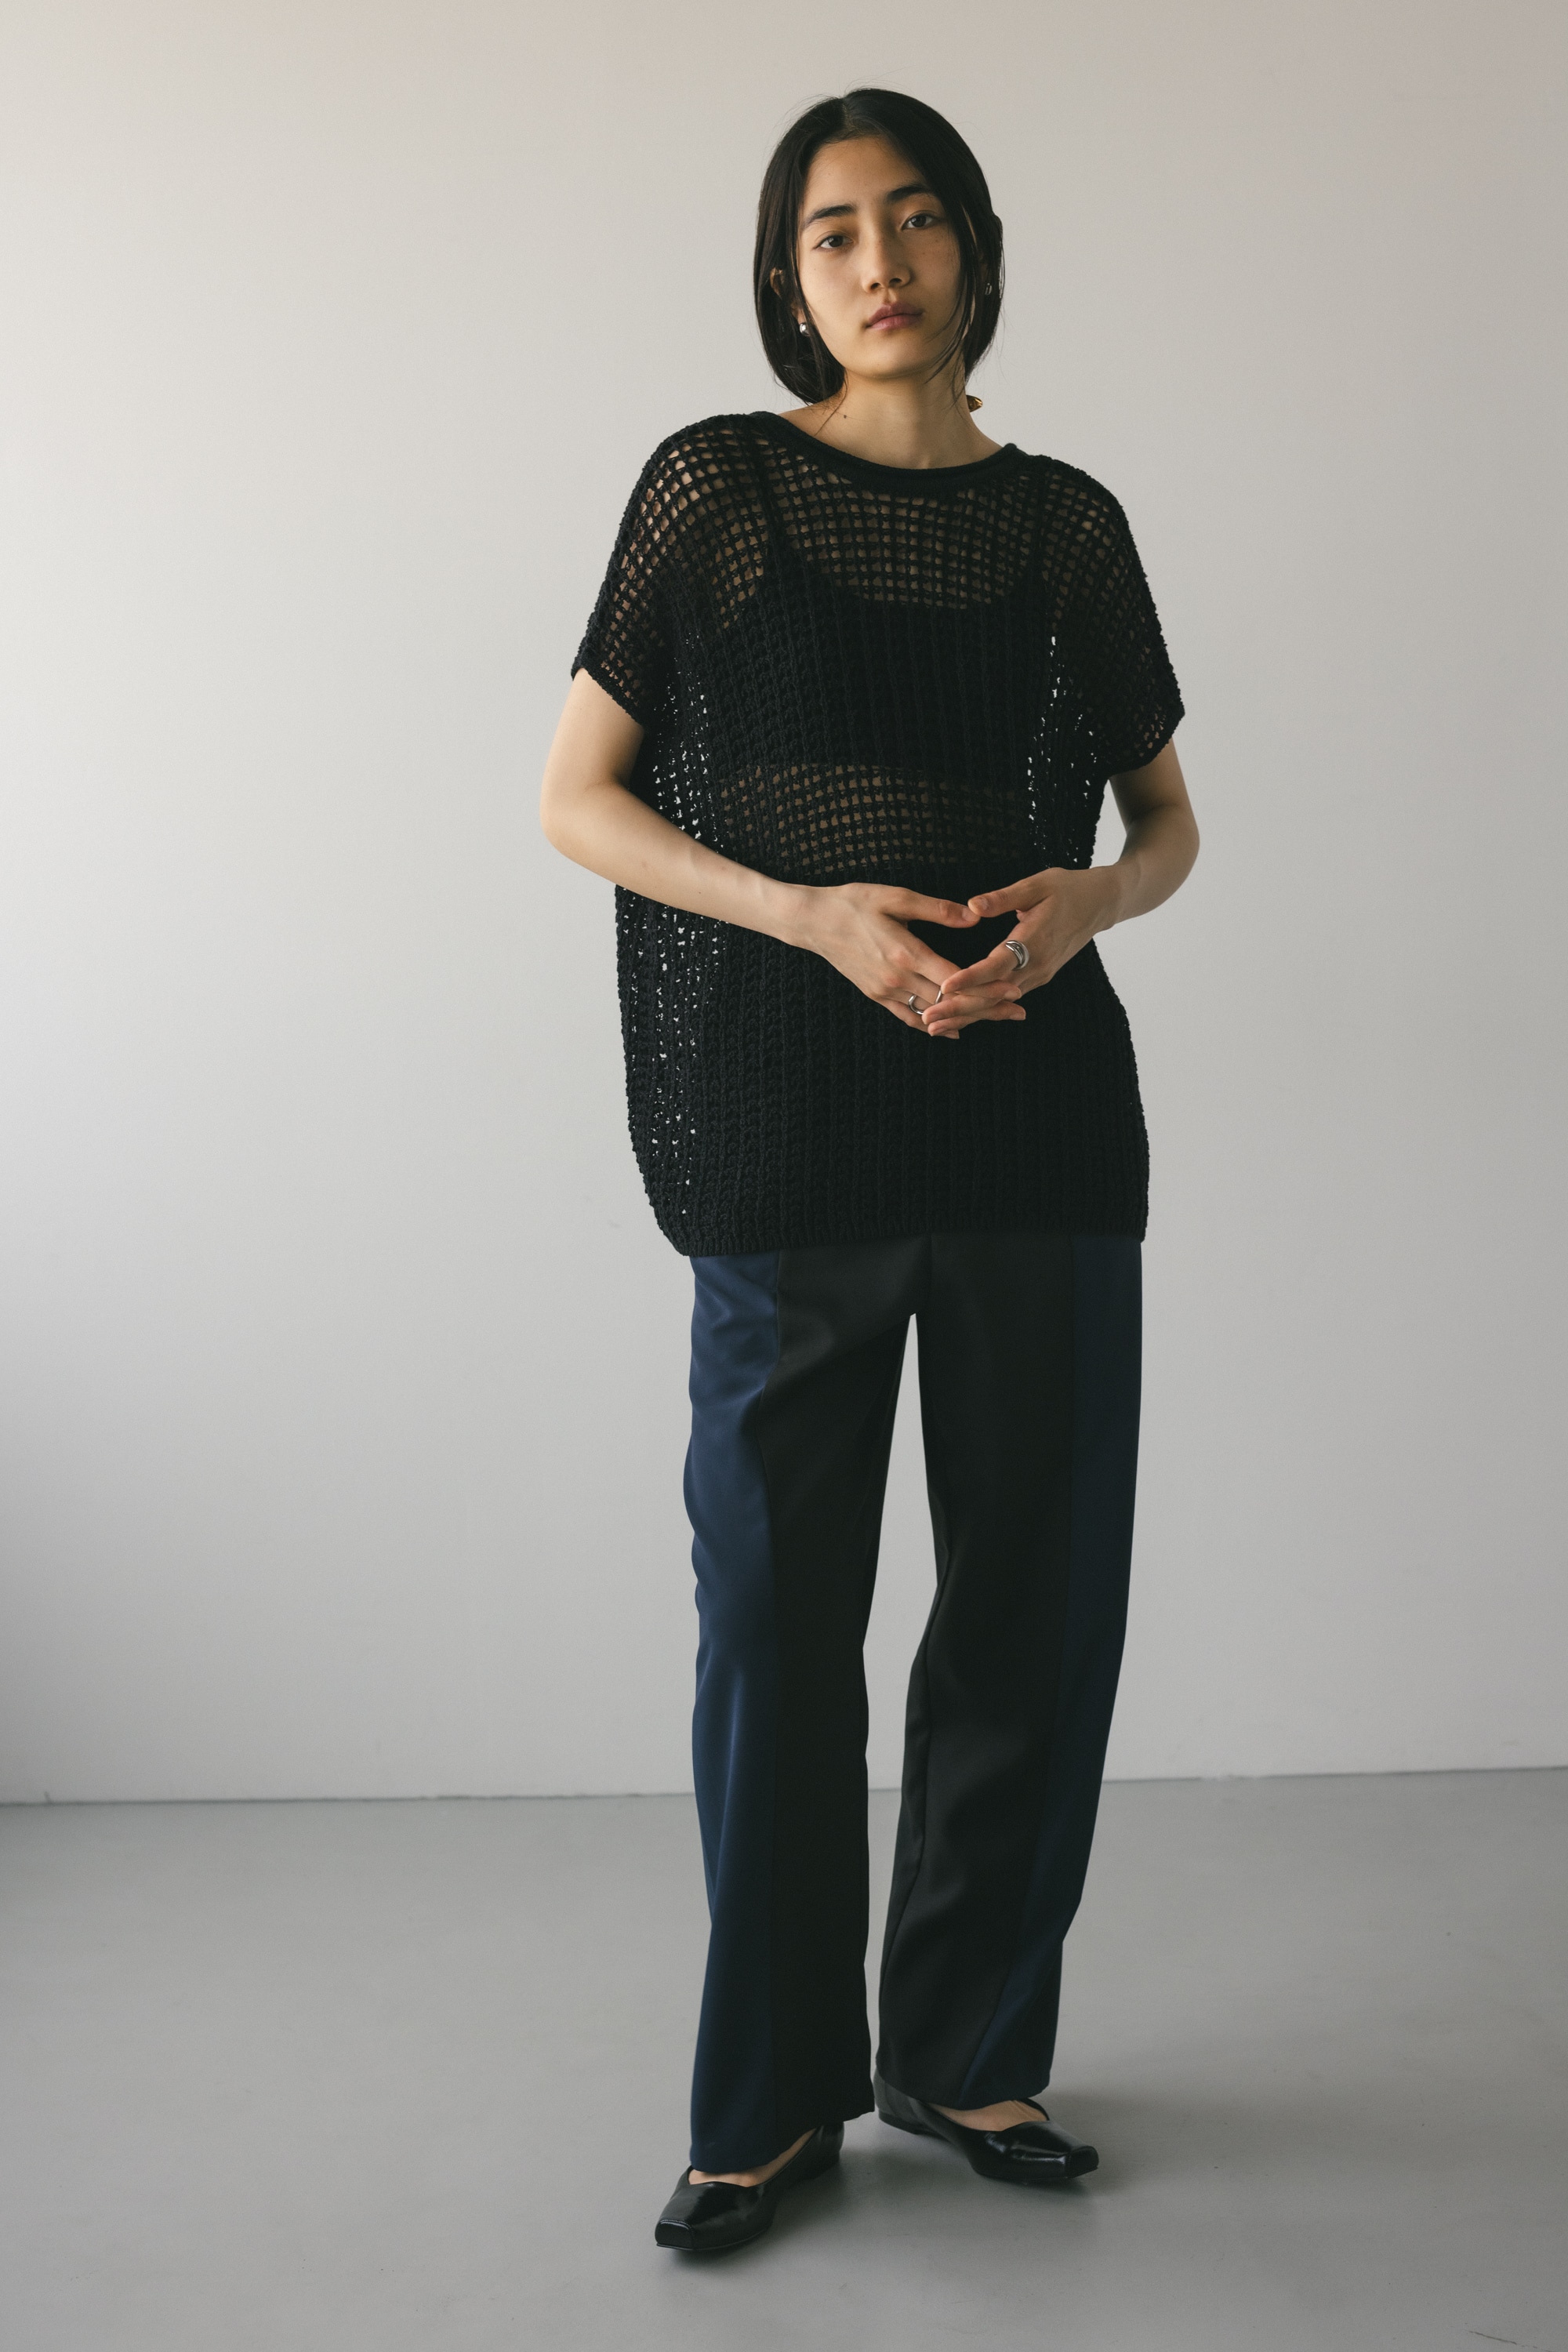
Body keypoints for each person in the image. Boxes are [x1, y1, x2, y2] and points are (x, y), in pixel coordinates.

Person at [540, 86, 1199, 2256]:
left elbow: (1167, 823)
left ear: (974, 247)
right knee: (776, 1623)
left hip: (1036, 1118)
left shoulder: (1068, 528)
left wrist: (1091, 902)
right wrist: (809, 917)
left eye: (914, 220)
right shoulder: (717, 491)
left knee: (1034, 1600)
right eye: (833, 232)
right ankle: (764, 2106)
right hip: (789, 1123)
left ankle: (969, 2052)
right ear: (788, 276)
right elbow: (578, 799)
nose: (879, 262)